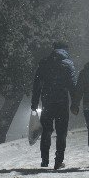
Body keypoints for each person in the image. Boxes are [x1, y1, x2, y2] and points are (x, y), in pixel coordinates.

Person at [31, 41, 77, 169]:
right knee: (61, 132)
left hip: (47, 102)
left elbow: (37, 85)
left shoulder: (44, 63)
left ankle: (45, 160)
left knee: (46, 130)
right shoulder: (68, 65)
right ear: (65, 50)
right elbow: (72, 86)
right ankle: (58, 161)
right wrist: (75, 102)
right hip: (62, 102)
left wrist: (34, 103)